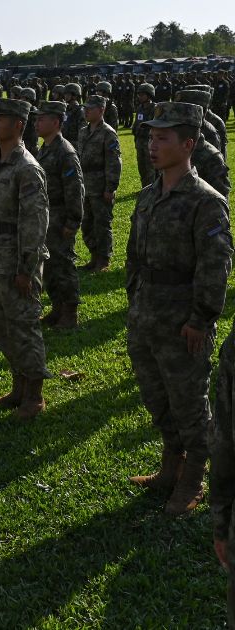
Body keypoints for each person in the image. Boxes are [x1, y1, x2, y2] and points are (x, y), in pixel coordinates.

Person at [126, 102, 231, 516]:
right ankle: (172, 462)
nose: (152, 145)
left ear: (188, 144)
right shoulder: (151, 194)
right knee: (156, 395)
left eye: (163, 138)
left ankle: (194, 477)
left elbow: (215, 266)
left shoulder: (206, 202)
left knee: (189, 401)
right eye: (151, 137)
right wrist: (135, 296)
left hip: (183, 319)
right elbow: (134, 253)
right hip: (146, 315)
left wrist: (201, 319)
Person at [0, 99, 51, 420]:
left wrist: (26, 269)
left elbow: (34, 224)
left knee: (23, 326)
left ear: (19, 125)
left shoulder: (27, 169)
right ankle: (18, 385)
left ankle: (34, 395)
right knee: (2, 326)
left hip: (18, 260)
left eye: (0, 119)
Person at [32, 101, 85, 329]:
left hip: (61, 216)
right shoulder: (45, 148)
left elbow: (75, 189)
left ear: (55, 122)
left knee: (64, 264)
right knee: (51, 265)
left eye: (41, 119)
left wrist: (72, 221)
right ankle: (57, 307)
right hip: (47, 216)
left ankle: (70, 311)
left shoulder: (65, 151)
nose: (37, 123)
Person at [77, 95, 122, 273]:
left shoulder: (108, 133)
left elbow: (114, 162)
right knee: (86, 223)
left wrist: (110, 187)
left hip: (100, 185)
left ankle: (103, 260)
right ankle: (94, 256)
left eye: (90, 108)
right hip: (85, 185)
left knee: (102, 224)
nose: (86, 111)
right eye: (85, 108)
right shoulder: (83, 131)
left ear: (101, 110)